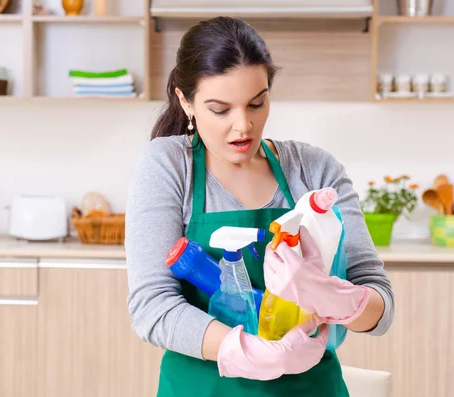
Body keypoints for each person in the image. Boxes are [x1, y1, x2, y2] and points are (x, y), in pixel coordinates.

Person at [124, 16, 394, 397]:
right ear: (186, 101)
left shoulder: (315, 170)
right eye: (220, 109)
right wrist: (248, 351)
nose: (243, 126)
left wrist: (339, 298)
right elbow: (153, 307)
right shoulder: (169, 165)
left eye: (257, 103)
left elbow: (380, 309)